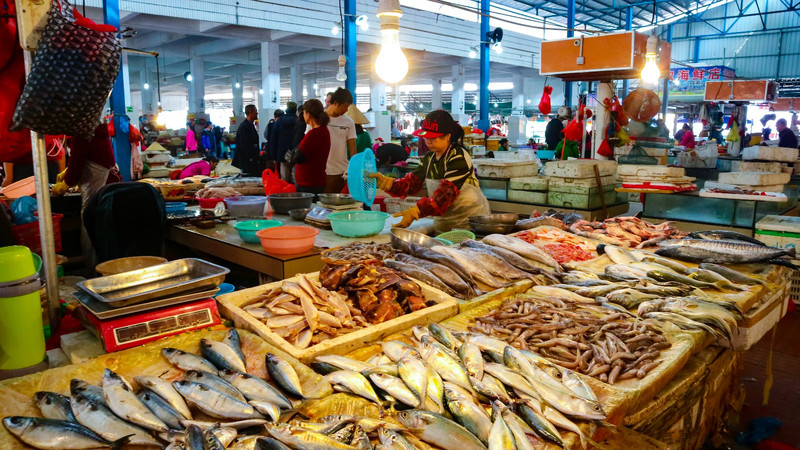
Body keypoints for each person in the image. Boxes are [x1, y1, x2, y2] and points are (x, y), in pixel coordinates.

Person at [369, 110, 490, 233]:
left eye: (433, 137)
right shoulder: (430, 157)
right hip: (444, 223)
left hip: (470, 225)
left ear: (447, 136)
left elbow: (444, 196)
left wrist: (416, 211)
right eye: (426, 136)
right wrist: (385, 182)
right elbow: (411, 184)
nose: (428, 141)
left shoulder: (457, 157)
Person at [51, 122, 121, 264]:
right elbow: (91, 158)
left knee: (93, 232)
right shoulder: (96, 130)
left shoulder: (80, 136)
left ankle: (95, 273)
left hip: (98, 193)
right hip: (112, 189)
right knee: (109, 233)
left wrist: (64, 185)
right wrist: (68, 171)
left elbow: (76, 171)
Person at [323, 88, 357, 193]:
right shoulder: (319, 119)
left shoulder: (348, 122)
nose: (347, 110)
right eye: (345, 106)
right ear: (336, 103)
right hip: (324, 171)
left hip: (343, 172)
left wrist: (354, 169)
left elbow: (352, 148)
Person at [294, 99, 330, 197]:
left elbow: (298, 155)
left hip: (308, 182)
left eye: (304, 113)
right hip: (317, 180)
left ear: (308, 114)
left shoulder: (314, 133)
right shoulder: (324, 130)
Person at [269, 101, 298, 181]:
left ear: (286, 110)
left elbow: (273, 140)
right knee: (296, 179)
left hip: (283, 154)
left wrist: (274, 156)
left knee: (285, 179)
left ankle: (286, 193)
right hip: (296, 154)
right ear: (295, 110)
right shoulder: (299, 121)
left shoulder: (279, 122)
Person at [233, 104, 262, 176]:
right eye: (256, 111)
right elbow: (243, 144)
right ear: (251, 112)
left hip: (252, 159)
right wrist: (250, 158)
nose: (257, 113)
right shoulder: (244, 127)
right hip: (247, 161)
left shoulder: (250, 125)